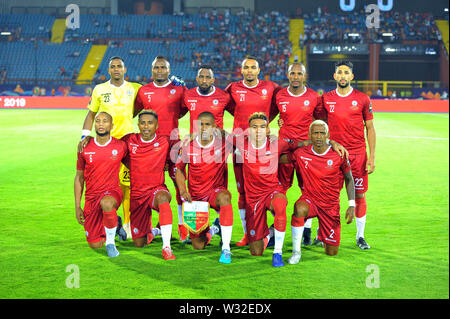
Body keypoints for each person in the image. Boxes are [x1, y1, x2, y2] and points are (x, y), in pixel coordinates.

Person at [78, 56, 142, 240]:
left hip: (127, 144)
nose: (116, 69)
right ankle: (110, 221)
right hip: (105, 145)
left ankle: (128, 225)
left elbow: (150, 98)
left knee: (128, 185)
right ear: (108, 70)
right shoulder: (100, 89)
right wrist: (84, 136)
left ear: (125, 69)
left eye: (119, 66)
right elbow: (91, 114)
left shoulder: (134, 88)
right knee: (103, 185)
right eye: (113, 66)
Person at [318, 61, 376, 250]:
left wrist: (372, 156)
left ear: (352, 76)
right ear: (334, 76)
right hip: (334, 156)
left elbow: (370, 128)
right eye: (339, 72)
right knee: (328, 196)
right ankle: (323, 234)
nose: (343, 75)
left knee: (359, 196)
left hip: (358, 155)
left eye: (346, 72)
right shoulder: (326, 99)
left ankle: (360, 236)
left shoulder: (362, 98)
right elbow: (319, 126)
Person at [225, 56, 281, 247]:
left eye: (253, 68)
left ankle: (272, 229)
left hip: (265, 146)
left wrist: (271, 122)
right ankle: (248, 233)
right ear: (241, 70)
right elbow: (223, 105)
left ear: (259, 70)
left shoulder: (270, 87)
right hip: (240, 146)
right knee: (243, 192)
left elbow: (282, 104)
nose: (249, 71)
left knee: (269, 188)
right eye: (246, 67)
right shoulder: (233, 88)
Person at [280, 120, 355, 262]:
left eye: (322, 133)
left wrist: (352, 205)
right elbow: (281, 159)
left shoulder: (339, 154)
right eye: (315, 133)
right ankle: (296, 252)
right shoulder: (301, 153)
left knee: (331, 252)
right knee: (299, 208)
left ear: (328, 135)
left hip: (330, 206)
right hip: (310, 200)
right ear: (310, 135)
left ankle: (321, 234)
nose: (319, 137)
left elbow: (349, 179)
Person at [134, 56, 189, 242]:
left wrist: (185, 88)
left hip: (173, 144)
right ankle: (150, 227)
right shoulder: (144, 91)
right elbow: (135, 113)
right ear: (152, 70)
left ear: (169, 70)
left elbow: (184, 110)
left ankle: (183, 226)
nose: (159, 70)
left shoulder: (179, 89)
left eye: (163, 67)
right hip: (151, 147)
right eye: (156, 67)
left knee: (181, 186)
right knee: (148, 187)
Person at [175, 112, 234, 263]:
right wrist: (182, 190)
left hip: (215, 191)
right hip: (196, 196)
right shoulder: (188, 146)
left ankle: (226, 249)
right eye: (200, 124)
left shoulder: (224, 143)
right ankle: (214, 229)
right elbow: (179, 169)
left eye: (208, 124)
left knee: (225, 198)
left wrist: (221, 131)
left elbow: (242, 142)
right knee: (198, 245)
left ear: (214, 126)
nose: (203, 127)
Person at [276, 62, 323, 245]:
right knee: (280, 189)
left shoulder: (313, 96)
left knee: (309, 189)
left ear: (305, 76)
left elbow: (320, 120)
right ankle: (277, 228)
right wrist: (280, 121)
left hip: (306, 148)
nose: (295, 77)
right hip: (285, 146)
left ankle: (307, 230)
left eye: (299, 73)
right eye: (292, 73)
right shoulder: (279, 95)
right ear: (288, 75)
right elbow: (272, 113)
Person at [121, 111, 176, 260]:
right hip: (137, 195)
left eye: (150, 123)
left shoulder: (165, 141)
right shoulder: (129, 139)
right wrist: (88, 138)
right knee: (139, 243)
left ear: (157, 126)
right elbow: (114, 149)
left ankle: (166, 248)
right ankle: (156, 230)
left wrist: (167, 163)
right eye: (143, 123)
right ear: (138, 125)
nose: (146, 126)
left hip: (155, 189)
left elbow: (182, 148)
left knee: (163, 199)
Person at [74, 112, 128, 257]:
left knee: (107, 203)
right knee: (95, 244)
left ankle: (111, 243)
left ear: (111, 125)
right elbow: (79, 177)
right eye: (97, 121)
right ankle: (115, 223)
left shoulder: (121, 146)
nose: (101, 124)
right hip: (92, 197)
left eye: (105, 121)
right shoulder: (84, 147)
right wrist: (77, 206)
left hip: (112, 193)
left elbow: (135, 163)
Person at [183, 65, 233, 134]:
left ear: (213, 80)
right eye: (201, 77)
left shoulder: (224, 96)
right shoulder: (188, 95)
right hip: (195, 142)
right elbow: (179, 113)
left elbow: (235, 113)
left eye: (208, 77)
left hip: (217, 142)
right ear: (197, 79)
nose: (204, 81)